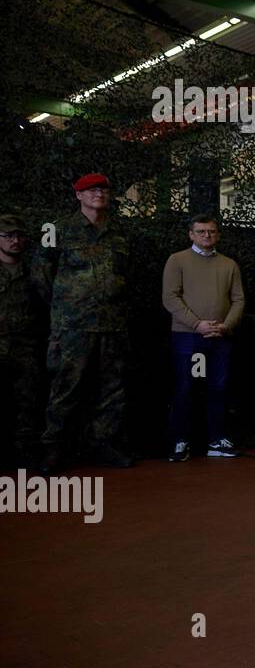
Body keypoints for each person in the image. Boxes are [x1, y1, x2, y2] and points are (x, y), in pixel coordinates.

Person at [32, 173, 136, 472]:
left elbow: (126, 276)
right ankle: (54, 450)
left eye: (103, 189)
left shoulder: (120, 231)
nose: (98, 194)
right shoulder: (55, 229)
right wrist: (66, 307)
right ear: (78, 195)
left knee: (112, 390)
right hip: (72, 326)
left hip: (112, 325)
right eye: (90, 190)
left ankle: (105, 445)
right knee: (65, 388)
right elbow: (41, 277)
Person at [161, 215, 245, 462]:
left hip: (220, 338)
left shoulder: (229, 264)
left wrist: (226, 326)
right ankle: (180, 441)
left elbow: (238, 300)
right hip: (188, 337)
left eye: (211, 231)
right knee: (186, 388)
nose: (206, 235)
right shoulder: (177, 260)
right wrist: (197, 324)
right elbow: (170, 297)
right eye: (201, 231)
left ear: (217, 234)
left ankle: (216, 440)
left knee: (218, 389)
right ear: (191, 234)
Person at [0, 213, 46, 469]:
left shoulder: (34, 271)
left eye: (18, 236)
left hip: (26, 346)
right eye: (8, 236)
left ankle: (26, 457)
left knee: (28, 403)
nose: (14, 240)